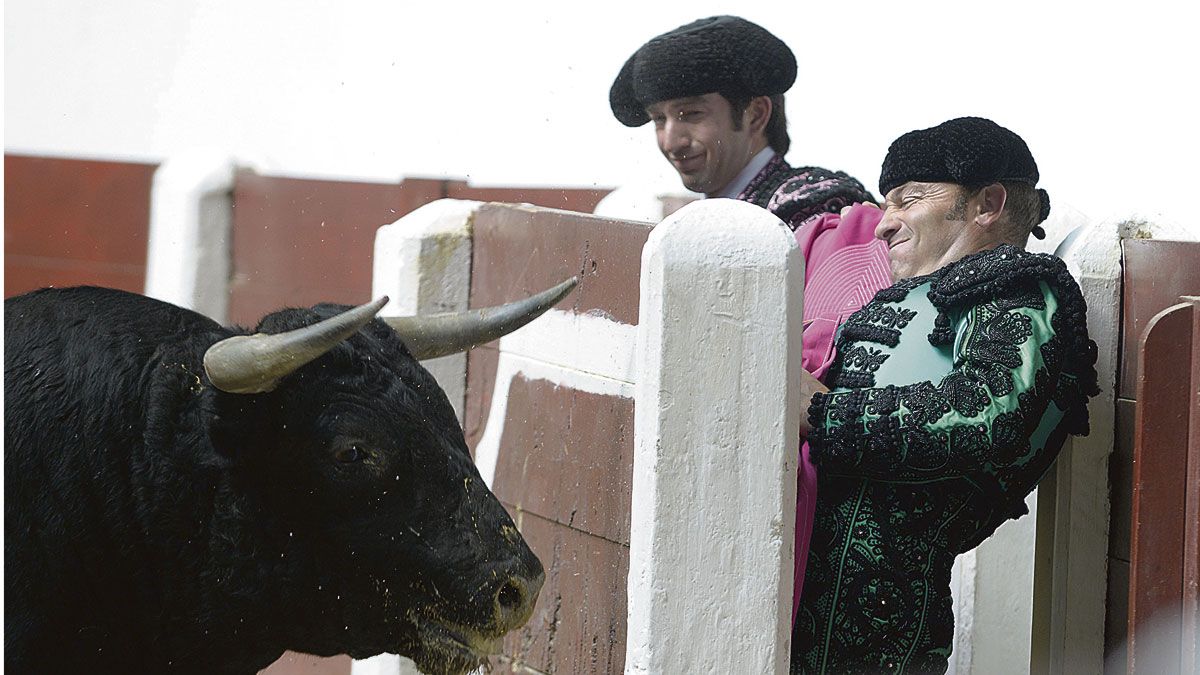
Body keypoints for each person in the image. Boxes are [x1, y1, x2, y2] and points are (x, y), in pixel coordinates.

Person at [790, 117, 1099, 674]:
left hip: (881, 603)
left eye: (908, 200)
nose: (883, 226)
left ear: (988, 204)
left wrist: (818, 410)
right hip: (816, 576)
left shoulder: (1016, 285)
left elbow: (985, 414)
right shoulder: (915, 294)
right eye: (885, 205)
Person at [609, 15, 877, 229]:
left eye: (691, 114)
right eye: (658, 119)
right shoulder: (701, 219)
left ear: (755, 114)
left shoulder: (811, 207)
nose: (671, 142)